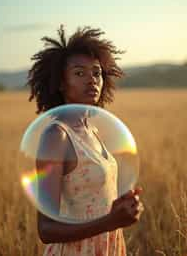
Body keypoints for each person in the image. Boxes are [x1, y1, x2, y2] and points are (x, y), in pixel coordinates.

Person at [27, 25, 144, 256]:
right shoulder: (56, 135)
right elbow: (46, 229)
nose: (92, 80)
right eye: (79, 73)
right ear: (60, 83)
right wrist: (110, 222)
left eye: (97, 72)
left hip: (106, 246)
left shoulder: (92, 129)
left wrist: (121, 206)